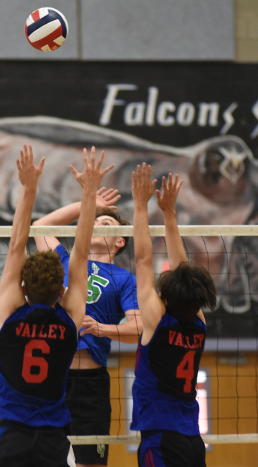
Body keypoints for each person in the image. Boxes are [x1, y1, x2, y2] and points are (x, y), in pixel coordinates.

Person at [0, 145, 114, 467]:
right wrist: (89, 194)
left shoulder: (12, 311)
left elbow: (17, 243)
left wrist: (28, 189)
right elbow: (80, 253)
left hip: (10, 434)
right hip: (52, 438)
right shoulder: (69, 317)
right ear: (62, 291)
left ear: (24, 288)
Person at [33, 190, 143, 467]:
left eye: (105, 224)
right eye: (94, 221)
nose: (96, 225)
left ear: (120, 241)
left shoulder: (124, 279)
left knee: (90, 463)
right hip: (53, 379)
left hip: (90, 386)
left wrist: (101, 329)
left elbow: (139, 328)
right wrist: (87, 204)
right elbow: (40, 227)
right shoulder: (64, 261)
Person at [130, 163, 217, 467]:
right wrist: (169, 214)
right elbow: (181, 271)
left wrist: (140, 205)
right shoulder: (198, 325)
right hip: (193, 439)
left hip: (162, 438)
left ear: (165, 298)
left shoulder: (158, 321)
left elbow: (142, 260)